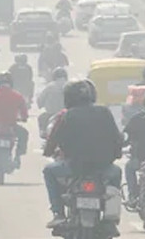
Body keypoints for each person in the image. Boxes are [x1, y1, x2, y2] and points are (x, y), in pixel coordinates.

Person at [43, 79, 124, 228]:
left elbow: (54, 139)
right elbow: (116, 138)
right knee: (117, 173)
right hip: (103, 168)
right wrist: (116, 154)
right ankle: (111, 214)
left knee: (49, 171)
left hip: (74, 167)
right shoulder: (104, 112)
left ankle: (58, 213)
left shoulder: (67, 116)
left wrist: (48, 151)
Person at [37, 67, 69, 132]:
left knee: (41, 118)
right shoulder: (69, 86)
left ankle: (43, 132)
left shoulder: (50, 86)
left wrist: (40, 104)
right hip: (67, 115)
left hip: (51, 114)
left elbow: (40, 100)